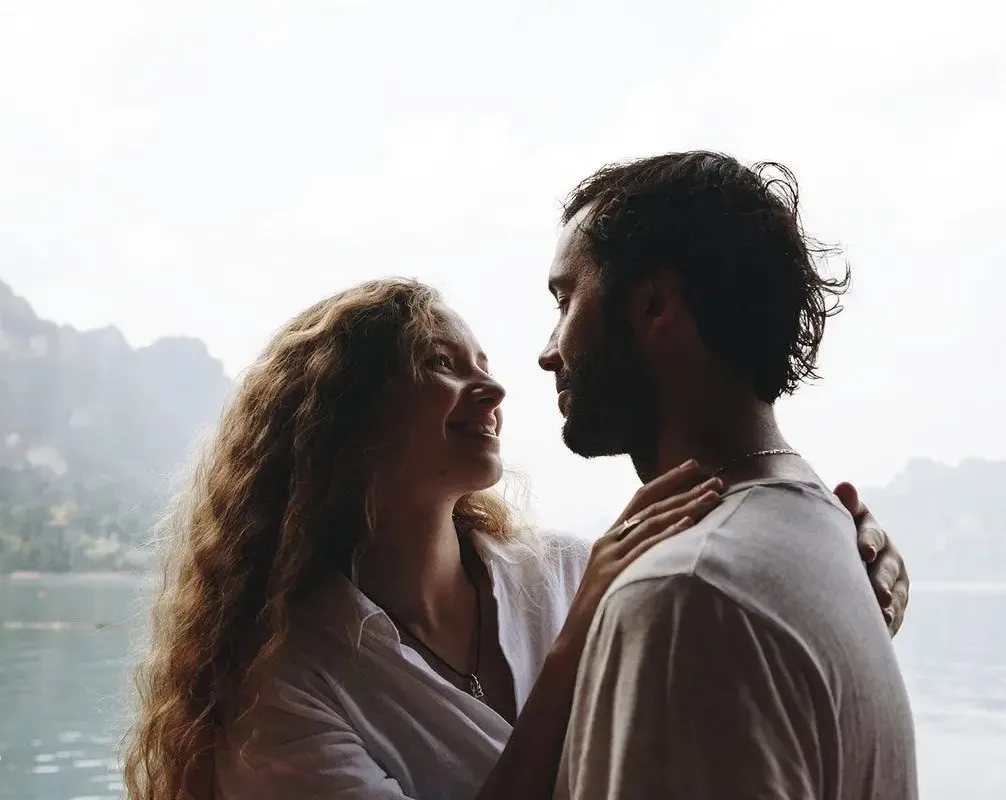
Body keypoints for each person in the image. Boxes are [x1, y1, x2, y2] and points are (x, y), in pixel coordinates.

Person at [122, 278, 910, 800]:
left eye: (484, 364)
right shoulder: (276, 686)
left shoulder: (568, 568)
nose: (495, 388)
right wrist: (575, 644)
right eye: (441, 363)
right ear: (343, 420)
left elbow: (741, 629)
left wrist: (842, 568)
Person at [544, 152, 918, 799]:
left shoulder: (684, 596)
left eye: (565, 299)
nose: (548, 351)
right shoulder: (825, 533)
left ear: (655, 305)